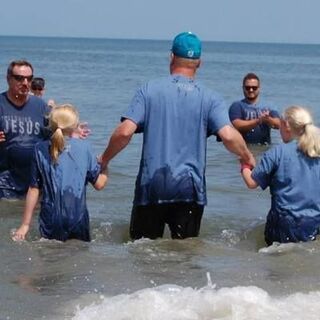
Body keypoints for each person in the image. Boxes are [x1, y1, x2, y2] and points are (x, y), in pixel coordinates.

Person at [100, 32, 255, 241]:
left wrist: (104, 159)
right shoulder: (210, 98)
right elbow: (228, 135)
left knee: (143, 255)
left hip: (151, 186)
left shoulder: (149, 90)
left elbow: (125, 131)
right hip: (189, 189)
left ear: (171, 57)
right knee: (185, 257)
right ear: (199, 62)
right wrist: (247, 157)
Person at [13, 104, 108, 242]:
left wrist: (25, 225)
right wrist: (105, 165)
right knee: (79, 257)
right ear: (75, 126)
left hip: (50, 220)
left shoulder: (39, 148)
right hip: (78, 219)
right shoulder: (85, 147)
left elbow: (34, 189)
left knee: (50, 257)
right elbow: (99, 184)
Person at [240, 106, 320, 245]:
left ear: (287, 125)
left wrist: (245, 164)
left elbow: (252, 183)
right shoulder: (317, 151)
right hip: (313, 221)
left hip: (284, 224)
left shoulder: (278, 152)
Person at [0, 60, 51, 199]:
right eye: (19, 78)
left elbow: (53, 137)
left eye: (29, 78)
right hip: (4, 183)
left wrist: (72, 130)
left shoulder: (41, 106)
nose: (25, 82)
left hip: (35, 184)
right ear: (8, 79)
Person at [229, 73, 281, 145]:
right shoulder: (237, 106)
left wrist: (268, 119)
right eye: (247, 87)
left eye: (254, 87)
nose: (251, 90)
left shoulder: (269, 106)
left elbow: (279, 124)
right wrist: (258, 121)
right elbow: (237, 125)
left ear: (259, 88)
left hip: (264, 147)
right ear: (243, 88)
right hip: (244, 148)